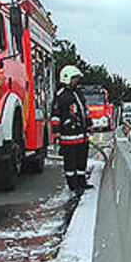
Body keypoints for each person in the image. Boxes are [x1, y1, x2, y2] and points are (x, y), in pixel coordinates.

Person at [52, 65, 93, 196]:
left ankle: (82, 182)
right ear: (67, 78)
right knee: (70, 163)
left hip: (81, 135)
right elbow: (55, 115)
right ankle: (73, 186)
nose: (76, 80)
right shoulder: (61, 96)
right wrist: (56, 130)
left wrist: (89, 124)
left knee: (82, 161)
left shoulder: (78, 93)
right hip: (68, 136)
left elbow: (84, 110)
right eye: (74, 78)